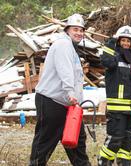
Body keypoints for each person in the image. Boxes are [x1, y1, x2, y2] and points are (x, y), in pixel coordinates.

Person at [29, 13, 91, 166]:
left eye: (81, 30)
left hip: (68, 104)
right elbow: (65, 70)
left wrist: (76, 100)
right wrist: (70, 92)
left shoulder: (71, 47)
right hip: (52, 101)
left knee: (76, 140)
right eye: (75, 29)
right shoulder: (63, 44)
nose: (79, 33)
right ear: (67, 30)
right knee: (46, 140)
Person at [97, 25, 131, 166]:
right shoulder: (114, 57)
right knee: (115, 139)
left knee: (128, 142)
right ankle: (103, 162)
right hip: (117, 110)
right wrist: (111, 42)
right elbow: (105, 60)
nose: (126, 43)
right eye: (123, 40)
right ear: (119, 41)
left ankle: (124, 163)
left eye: (129, 41)